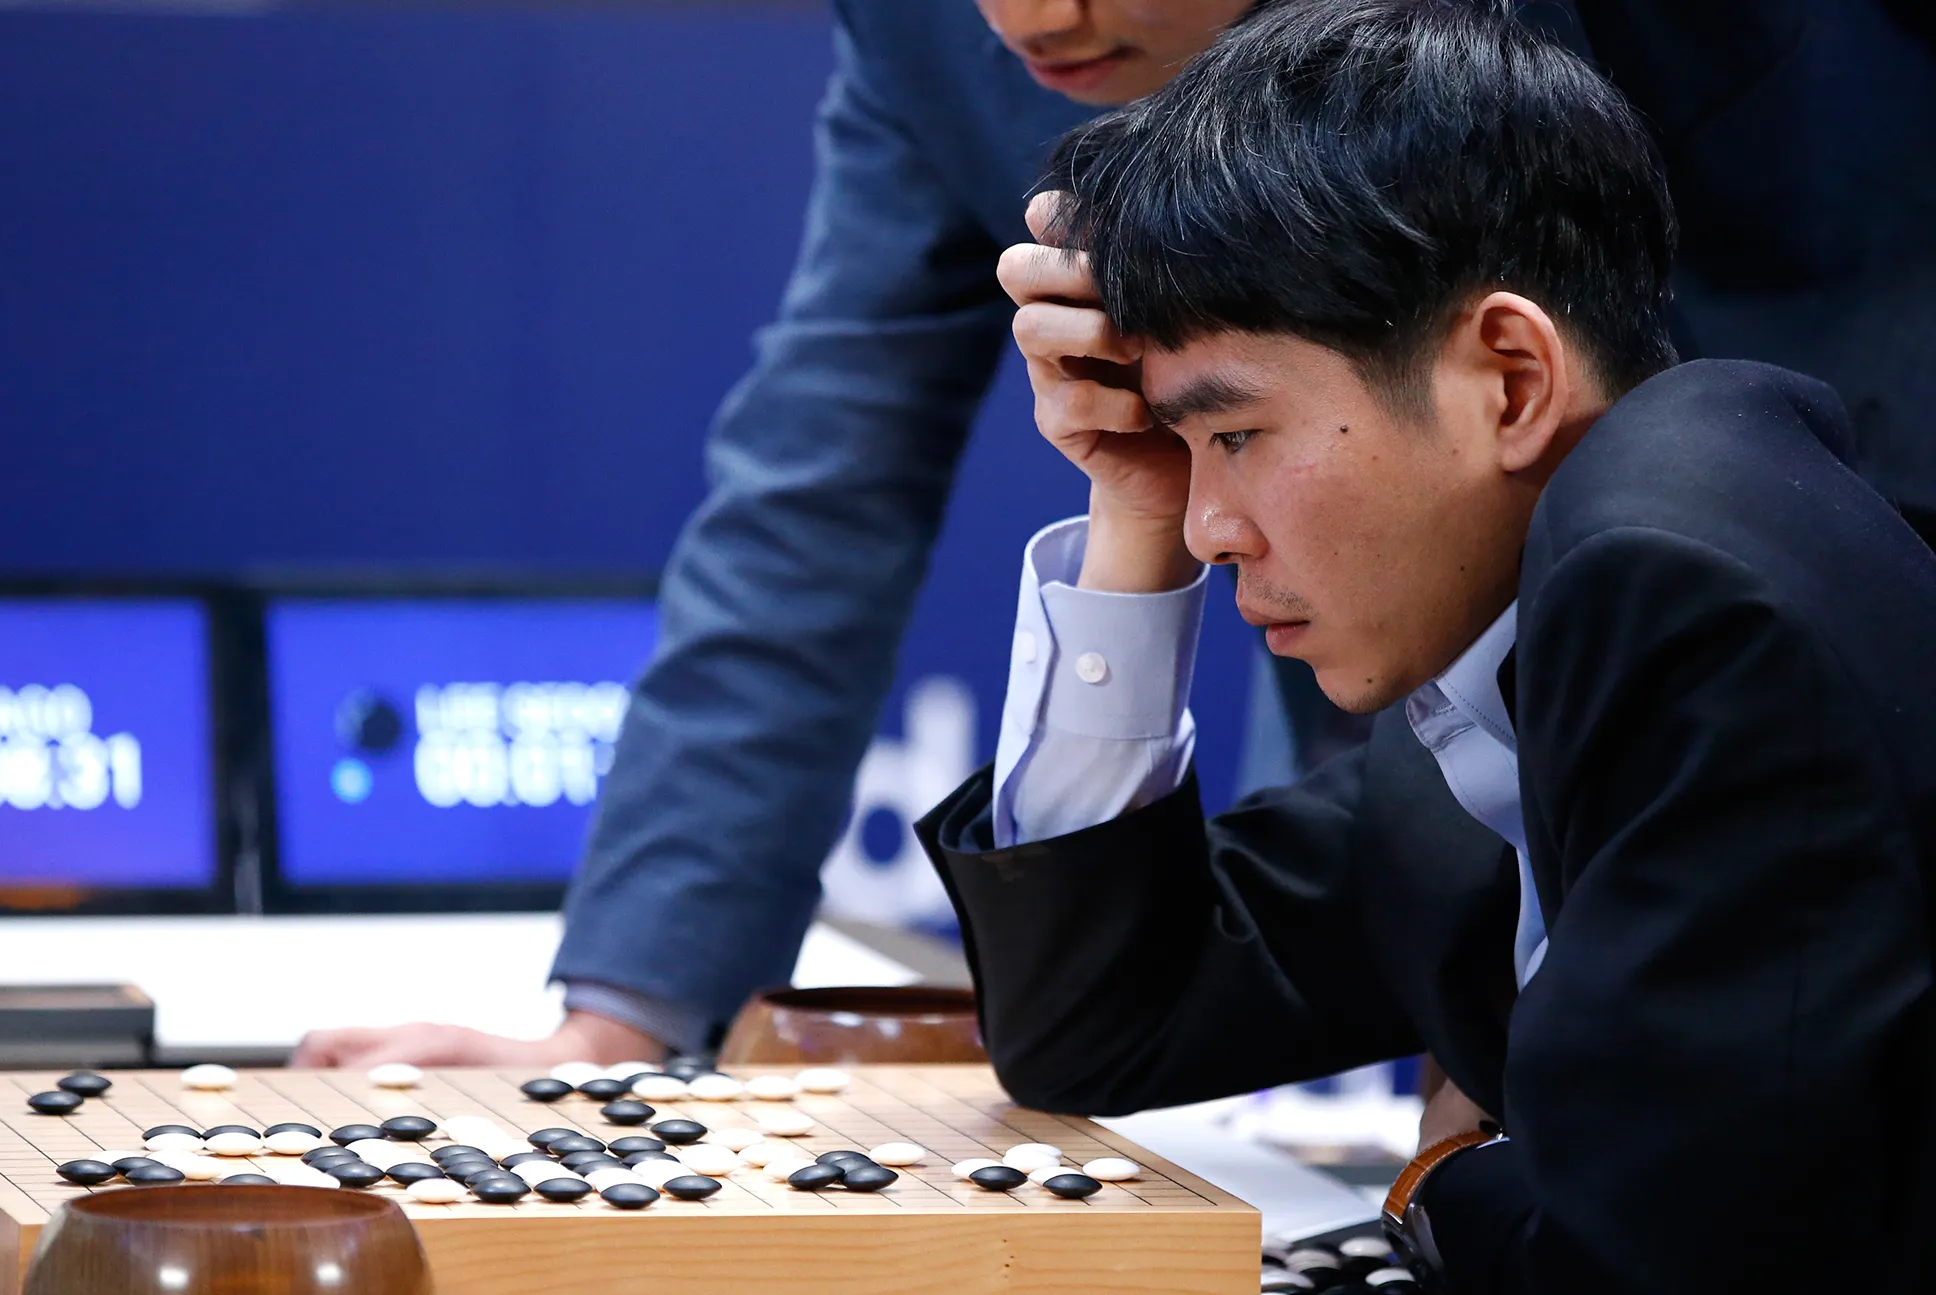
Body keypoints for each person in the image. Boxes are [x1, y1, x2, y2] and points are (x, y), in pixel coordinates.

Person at [293, 0, 1936, 1073]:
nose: (1033, 15)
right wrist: (619, 1031)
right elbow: (814, 494)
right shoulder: (946, 49)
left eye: (1233, 431)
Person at [919, 1, 1936, 1291]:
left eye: (1232, 436)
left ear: (1509, 379)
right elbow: (1103, 1022)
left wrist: (1436, 1181)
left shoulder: (1682, 600)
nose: (1209, 527)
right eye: (1180, 452)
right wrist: (1130, 512)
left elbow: (1630, 1264)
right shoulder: (1553, 621)